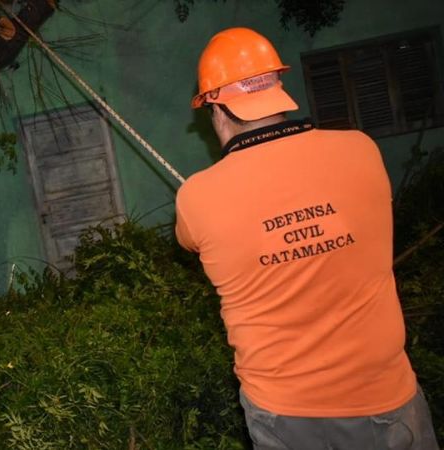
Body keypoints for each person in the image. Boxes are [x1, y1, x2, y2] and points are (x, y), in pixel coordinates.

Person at [175, 27, 439, 449]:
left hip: (286, 415)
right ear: (278, 89)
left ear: (216, 109)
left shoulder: (197, 197)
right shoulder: (361, 150)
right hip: (387, 401)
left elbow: (189, 241)